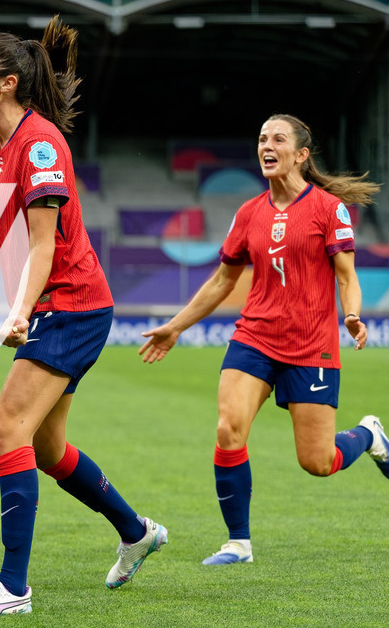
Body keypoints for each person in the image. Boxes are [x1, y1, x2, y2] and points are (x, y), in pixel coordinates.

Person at [0, 18, 167, 616]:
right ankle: (136, 531)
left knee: (4, 429)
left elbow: (43, 244)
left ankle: (13, 589)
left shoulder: (41, 145)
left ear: (8, 83)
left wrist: (18, 312)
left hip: (70, 305)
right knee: (47, 449)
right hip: (58, 307)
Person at [139, 113, 386, 566]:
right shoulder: (248, 213)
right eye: (261, 139)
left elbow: (347, 276)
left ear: (301, 154)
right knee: (227, 428)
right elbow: (220, 281)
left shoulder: (329, 209)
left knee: (318, 461)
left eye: (277, 139)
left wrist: (351, 315)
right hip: (254, 338)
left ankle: (369, 434)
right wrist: (176, 325)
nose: (266, 146)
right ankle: (238, 543)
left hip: (312, 345)